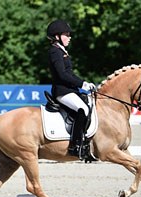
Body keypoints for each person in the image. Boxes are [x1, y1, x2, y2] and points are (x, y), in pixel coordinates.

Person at [46, 19, 96, 159]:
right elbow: (62, 75)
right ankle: (75, 146)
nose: (69, 37)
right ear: (57, 36)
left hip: (70, 90)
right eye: (66, 35)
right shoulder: (54, 52)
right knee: (83, 109)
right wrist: (82, 84)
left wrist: (83, 83)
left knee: (89, 106)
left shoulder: (62, 51)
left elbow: (70, 74)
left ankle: (87, 144)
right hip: (62, 91)